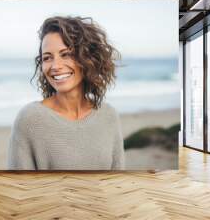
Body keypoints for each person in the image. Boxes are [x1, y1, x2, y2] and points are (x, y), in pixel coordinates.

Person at [7, 16, 124, 170]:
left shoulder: (109, 116)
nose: (55, 66)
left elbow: (118, 181)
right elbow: (19, 188)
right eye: (47, 58)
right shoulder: (29, 120)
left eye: (66, 54)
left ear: (88, 58)